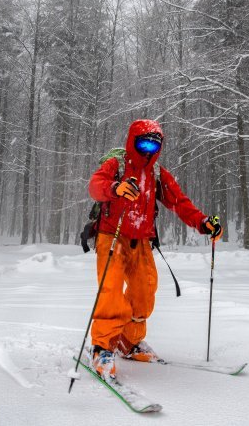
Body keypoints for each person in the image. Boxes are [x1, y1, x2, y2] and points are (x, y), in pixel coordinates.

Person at [87, 119, 222, 379]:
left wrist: (203, 223)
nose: (148, 149)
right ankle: (102, 346)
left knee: (145, 291)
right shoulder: (117, 165)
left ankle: (128, 342)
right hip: (111, 236)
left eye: (154, 144)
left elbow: (180, 202)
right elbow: (95, 185)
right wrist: (115, 188)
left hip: (142, 240)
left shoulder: (158, 173)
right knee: (111, 290)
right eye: (143, 143)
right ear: (132, 141)